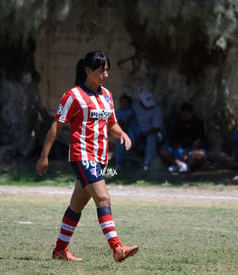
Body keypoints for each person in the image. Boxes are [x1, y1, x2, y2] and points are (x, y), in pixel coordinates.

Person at [36, 51, 138, 262]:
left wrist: (123, 134)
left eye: (107, 71)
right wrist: (44, 156)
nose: (105, 75)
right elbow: (57, 125)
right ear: (87, 70)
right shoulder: (73, 96)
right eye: (101, 71)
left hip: (100, 159)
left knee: (77, 205)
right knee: (103, 198)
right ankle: (117, 248)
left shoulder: (107, 95)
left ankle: (59, 250)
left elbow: (111, 124)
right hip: (82, 156)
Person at [159, 102, 207, 173]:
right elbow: (174, 138)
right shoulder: (178, 124)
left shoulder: (198, 124)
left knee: (201, 155)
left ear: (192, 113)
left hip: (192, 151)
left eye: (186, 115)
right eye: (183, 115)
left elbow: (199, 141)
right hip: (180, 150)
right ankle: (179, 164)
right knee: (162, 150)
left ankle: (184, 166)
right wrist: (176, 145)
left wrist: (187, 153)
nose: (184, 117)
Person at [132, 91, 164, 171]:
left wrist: (142, 136)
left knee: (151, 138)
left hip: (154, 133)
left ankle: (147, 164)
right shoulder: (135, 106)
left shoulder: (156, 109)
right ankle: (120, 162)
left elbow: (157, 128)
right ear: (141, 102)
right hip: (139, 132)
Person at [113, 94, 140, 170]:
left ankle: (130, 148)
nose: (123, 104)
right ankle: (118, 164)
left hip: (132, 131)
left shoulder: (130, 111)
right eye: (122, 102)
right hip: (124, 131)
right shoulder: (119, 111)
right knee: (120, 140)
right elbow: (119, 123)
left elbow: (127, 124)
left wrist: (121, 132)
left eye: (125, 102)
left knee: (128, 137)